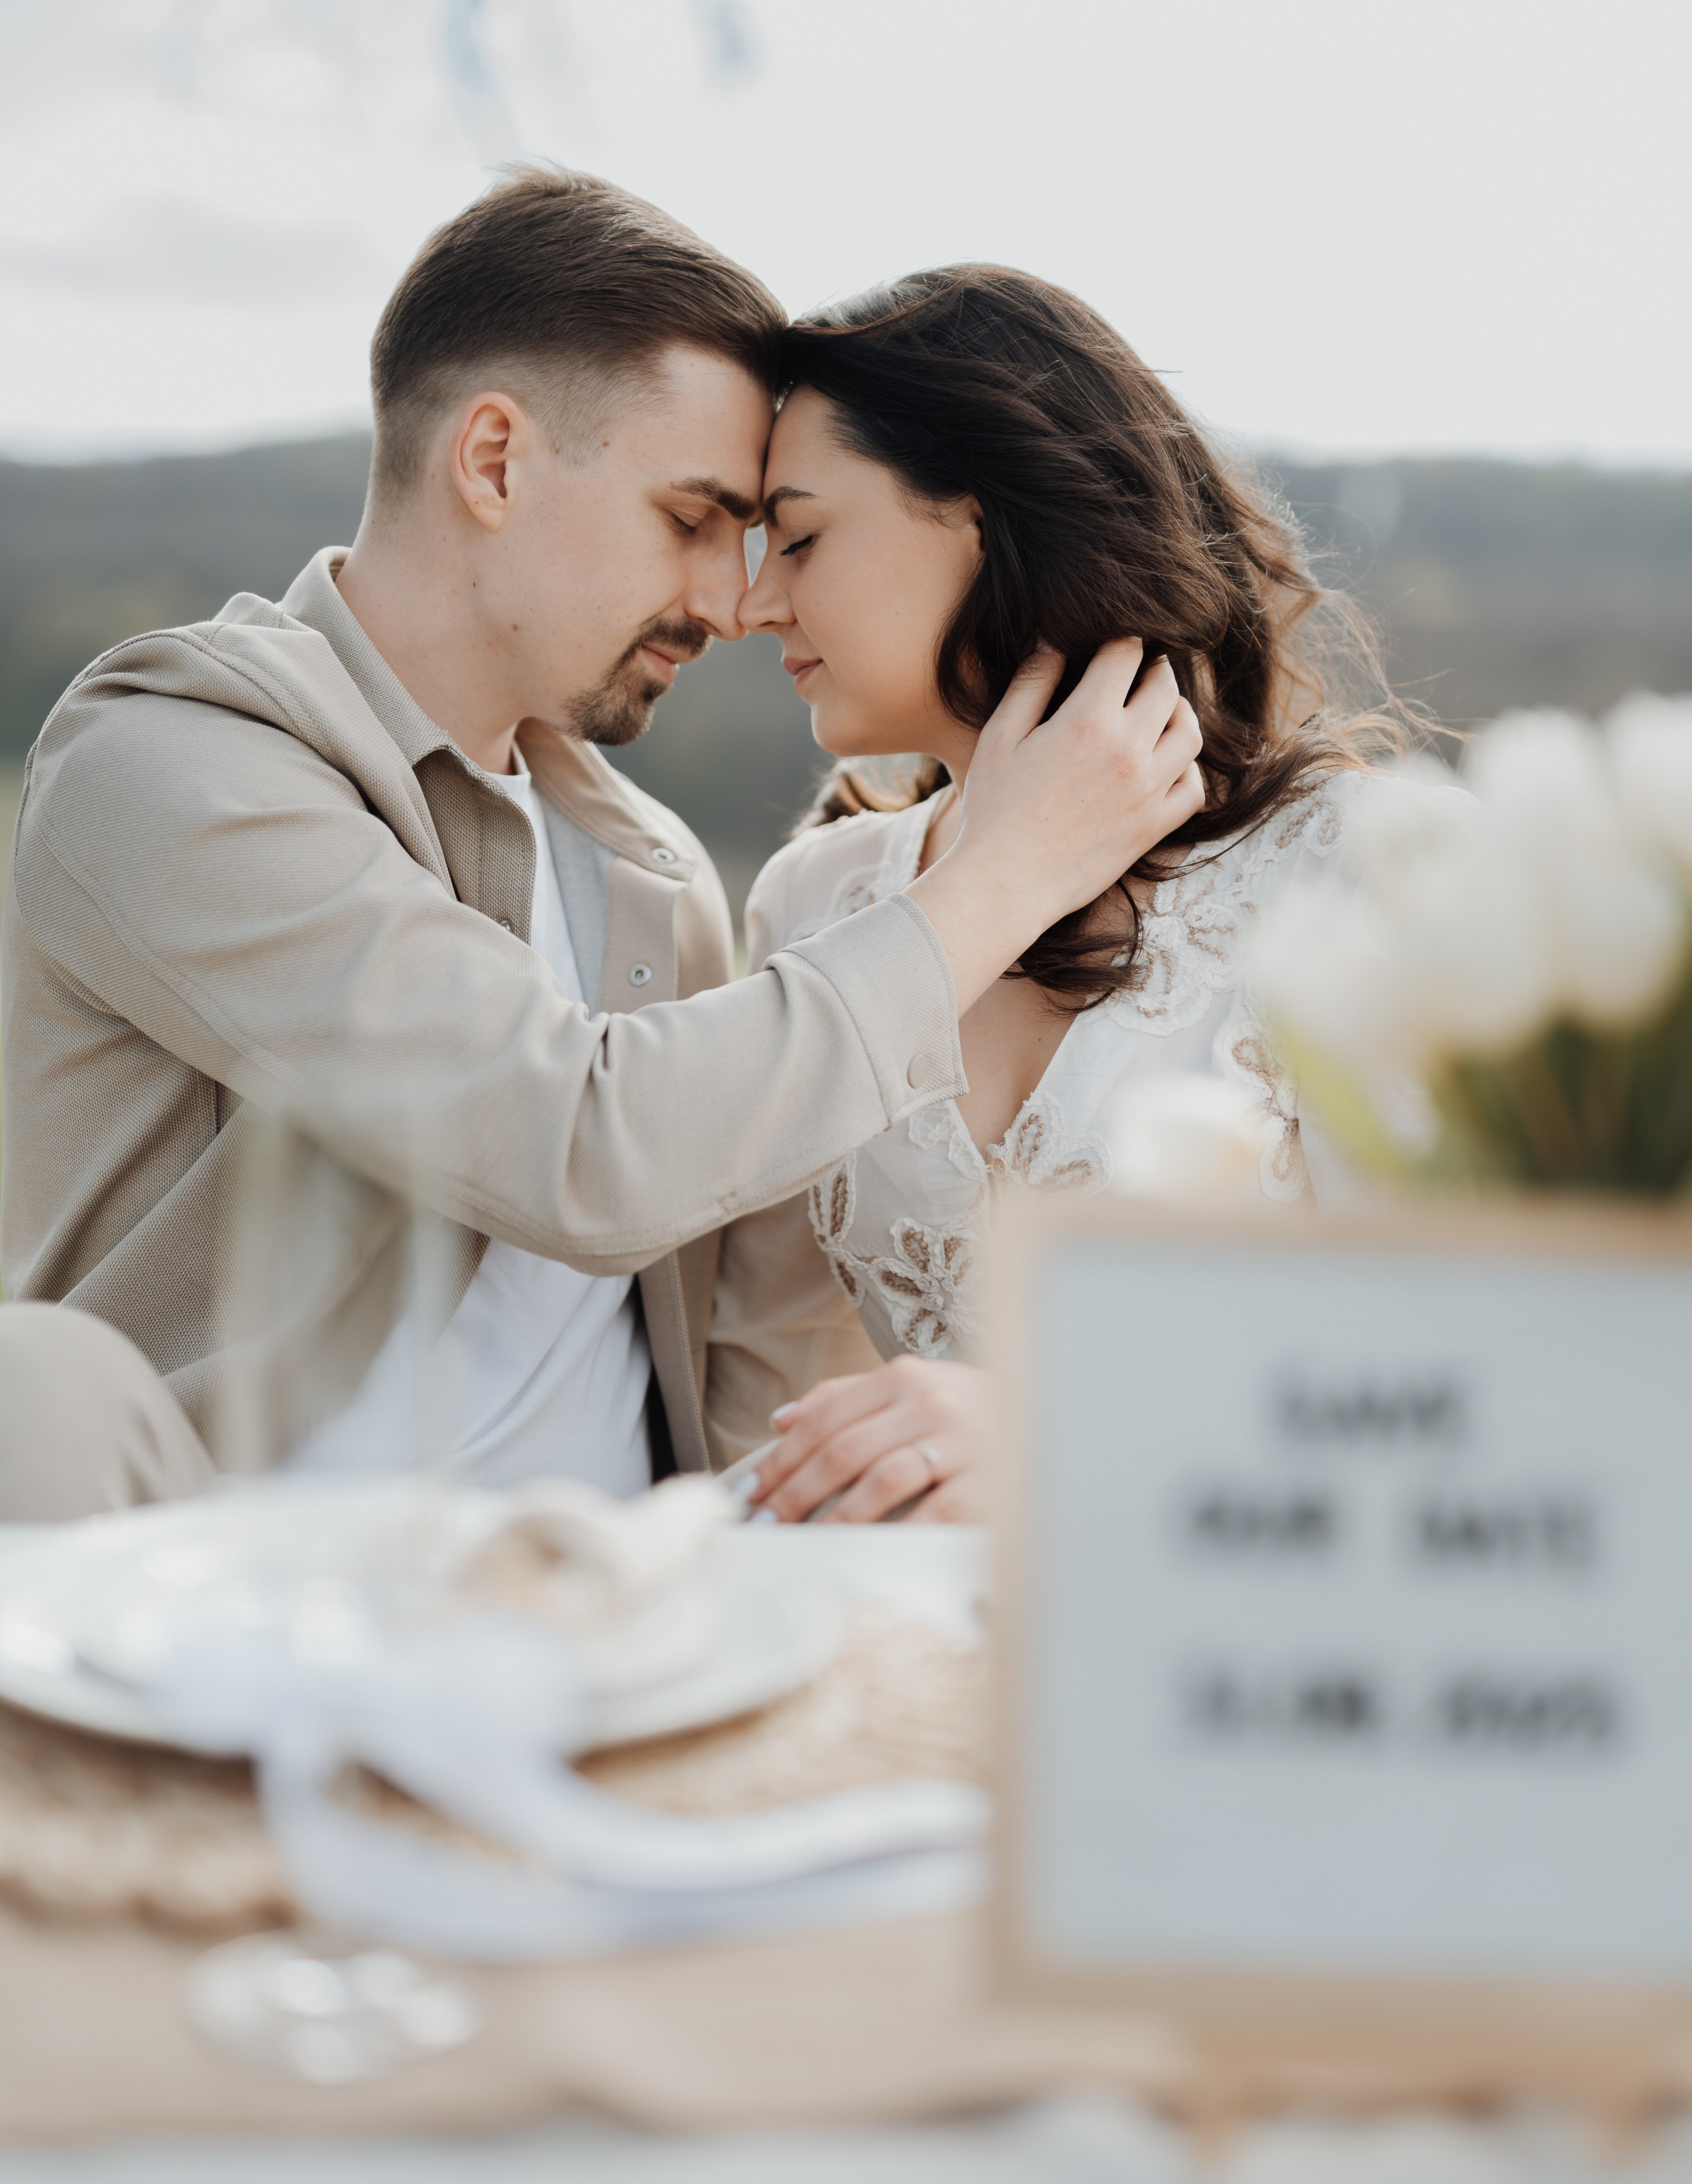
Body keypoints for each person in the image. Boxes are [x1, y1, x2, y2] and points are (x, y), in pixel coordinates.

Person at [0, 178, 1207, 1523]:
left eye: (765, 537)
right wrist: (1006, 873)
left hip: (627, 1607)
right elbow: (579, 1142)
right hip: (242, 1593)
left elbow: (750, 1358)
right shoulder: (165, 764)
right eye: (691, 520)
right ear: (493, 462)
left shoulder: (654, 870)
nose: (732, 602)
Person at [727, 266, 1389, 1528]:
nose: (754, 603)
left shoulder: (1354, 875)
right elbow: (766, 1383)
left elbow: (1476, 1374)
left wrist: (1059, 1440)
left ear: (983, 517)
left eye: (799, 538)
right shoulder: (811, 902)